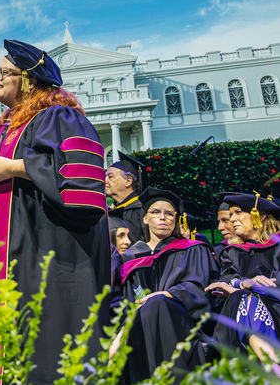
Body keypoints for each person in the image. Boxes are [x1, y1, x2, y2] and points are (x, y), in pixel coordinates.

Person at [0, 39, 110, 385]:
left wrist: (19, 167)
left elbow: (82, 180)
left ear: (29, 80)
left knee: (42, 344)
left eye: (3, 71)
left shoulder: (59, 117)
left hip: (43, 252)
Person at [113, 187, 217, 383]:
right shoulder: (130, 257)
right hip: (139, 322)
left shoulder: (192, 249)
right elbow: (126, 299)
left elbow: (198, 289)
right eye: (155, 212)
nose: (163, 217)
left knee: (158, 303)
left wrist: (165, 295)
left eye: (169, 213)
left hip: (181, 321)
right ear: (145, 219)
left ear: (176, 219)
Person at [205, 194, 280, 361]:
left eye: (238, 212)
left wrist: (255, 288)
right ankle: (273, 365)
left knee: (248, 298)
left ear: (259, 216)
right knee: (245, 298)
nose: (232, 220)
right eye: (231, 215)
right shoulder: (231, 252)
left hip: (276, 308)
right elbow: (226, 279)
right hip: (238, 311)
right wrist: (245, 283)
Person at [106, 151, 146, 245]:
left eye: (110, 177)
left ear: (128, 181)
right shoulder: (109, 210)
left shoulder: (142, 210)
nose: (105, 181)